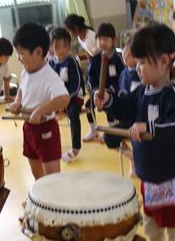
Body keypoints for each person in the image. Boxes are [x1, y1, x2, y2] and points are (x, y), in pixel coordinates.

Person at [95, 23, 175, 241]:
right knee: (152, 228)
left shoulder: (172, 95)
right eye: (136, 61)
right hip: (149, 177)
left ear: (163, 61)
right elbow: (124, 107)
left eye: (142, 62)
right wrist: (108, 100)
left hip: (173, 179)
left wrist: (149, 126)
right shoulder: (141, 92)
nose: (137, 68)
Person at [8, 22, 70, 180]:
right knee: (38, 176)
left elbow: (64, 99)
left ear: (38, 52)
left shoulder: (49, 76)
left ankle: (53, 197)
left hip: (46, 129)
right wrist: (17, 102)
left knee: (52, 179)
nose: (18, 58)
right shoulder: (25, 72)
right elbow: (22, 89)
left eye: (21, 53)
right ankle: (40, 195)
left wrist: (39, 111)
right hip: (29, 128)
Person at [103, 36, 141, 176]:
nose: (125, 56)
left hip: (140, 120)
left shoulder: (143, 74)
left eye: (130, 54)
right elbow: (120, 98)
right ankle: (133, 158)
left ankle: (139, 158)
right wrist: (107, 99)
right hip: (126, 119)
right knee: (108, 137)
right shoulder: (123, 74)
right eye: (124, 52)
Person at [82, 22, 125, 143]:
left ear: (114, 40)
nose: (102, 42)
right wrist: (96, 91)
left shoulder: (118, 59)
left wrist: (109, 90)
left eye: (106, 39)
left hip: (114, 92)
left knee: (109, 107)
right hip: (98, 93)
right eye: (99, 39)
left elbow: (122, 79)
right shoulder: (95, 59)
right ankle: (93, 130)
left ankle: (111, 131)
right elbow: (90, 78)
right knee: (88, 106)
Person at [48, 27, 85, 163]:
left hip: (74, 98)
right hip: (58, 99)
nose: (61, 50)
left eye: (64, 47)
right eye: (57, 47)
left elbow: (76, 85)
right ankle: (51, 145)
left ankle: (75, 148)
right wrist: (56, 102)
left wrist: (64, 101)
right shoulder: (50, 64)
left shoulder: (72, 62)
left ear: (69, 46)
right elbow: (50, 84)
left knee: (73, 113)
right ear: (51, 47)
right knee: (46, 114)